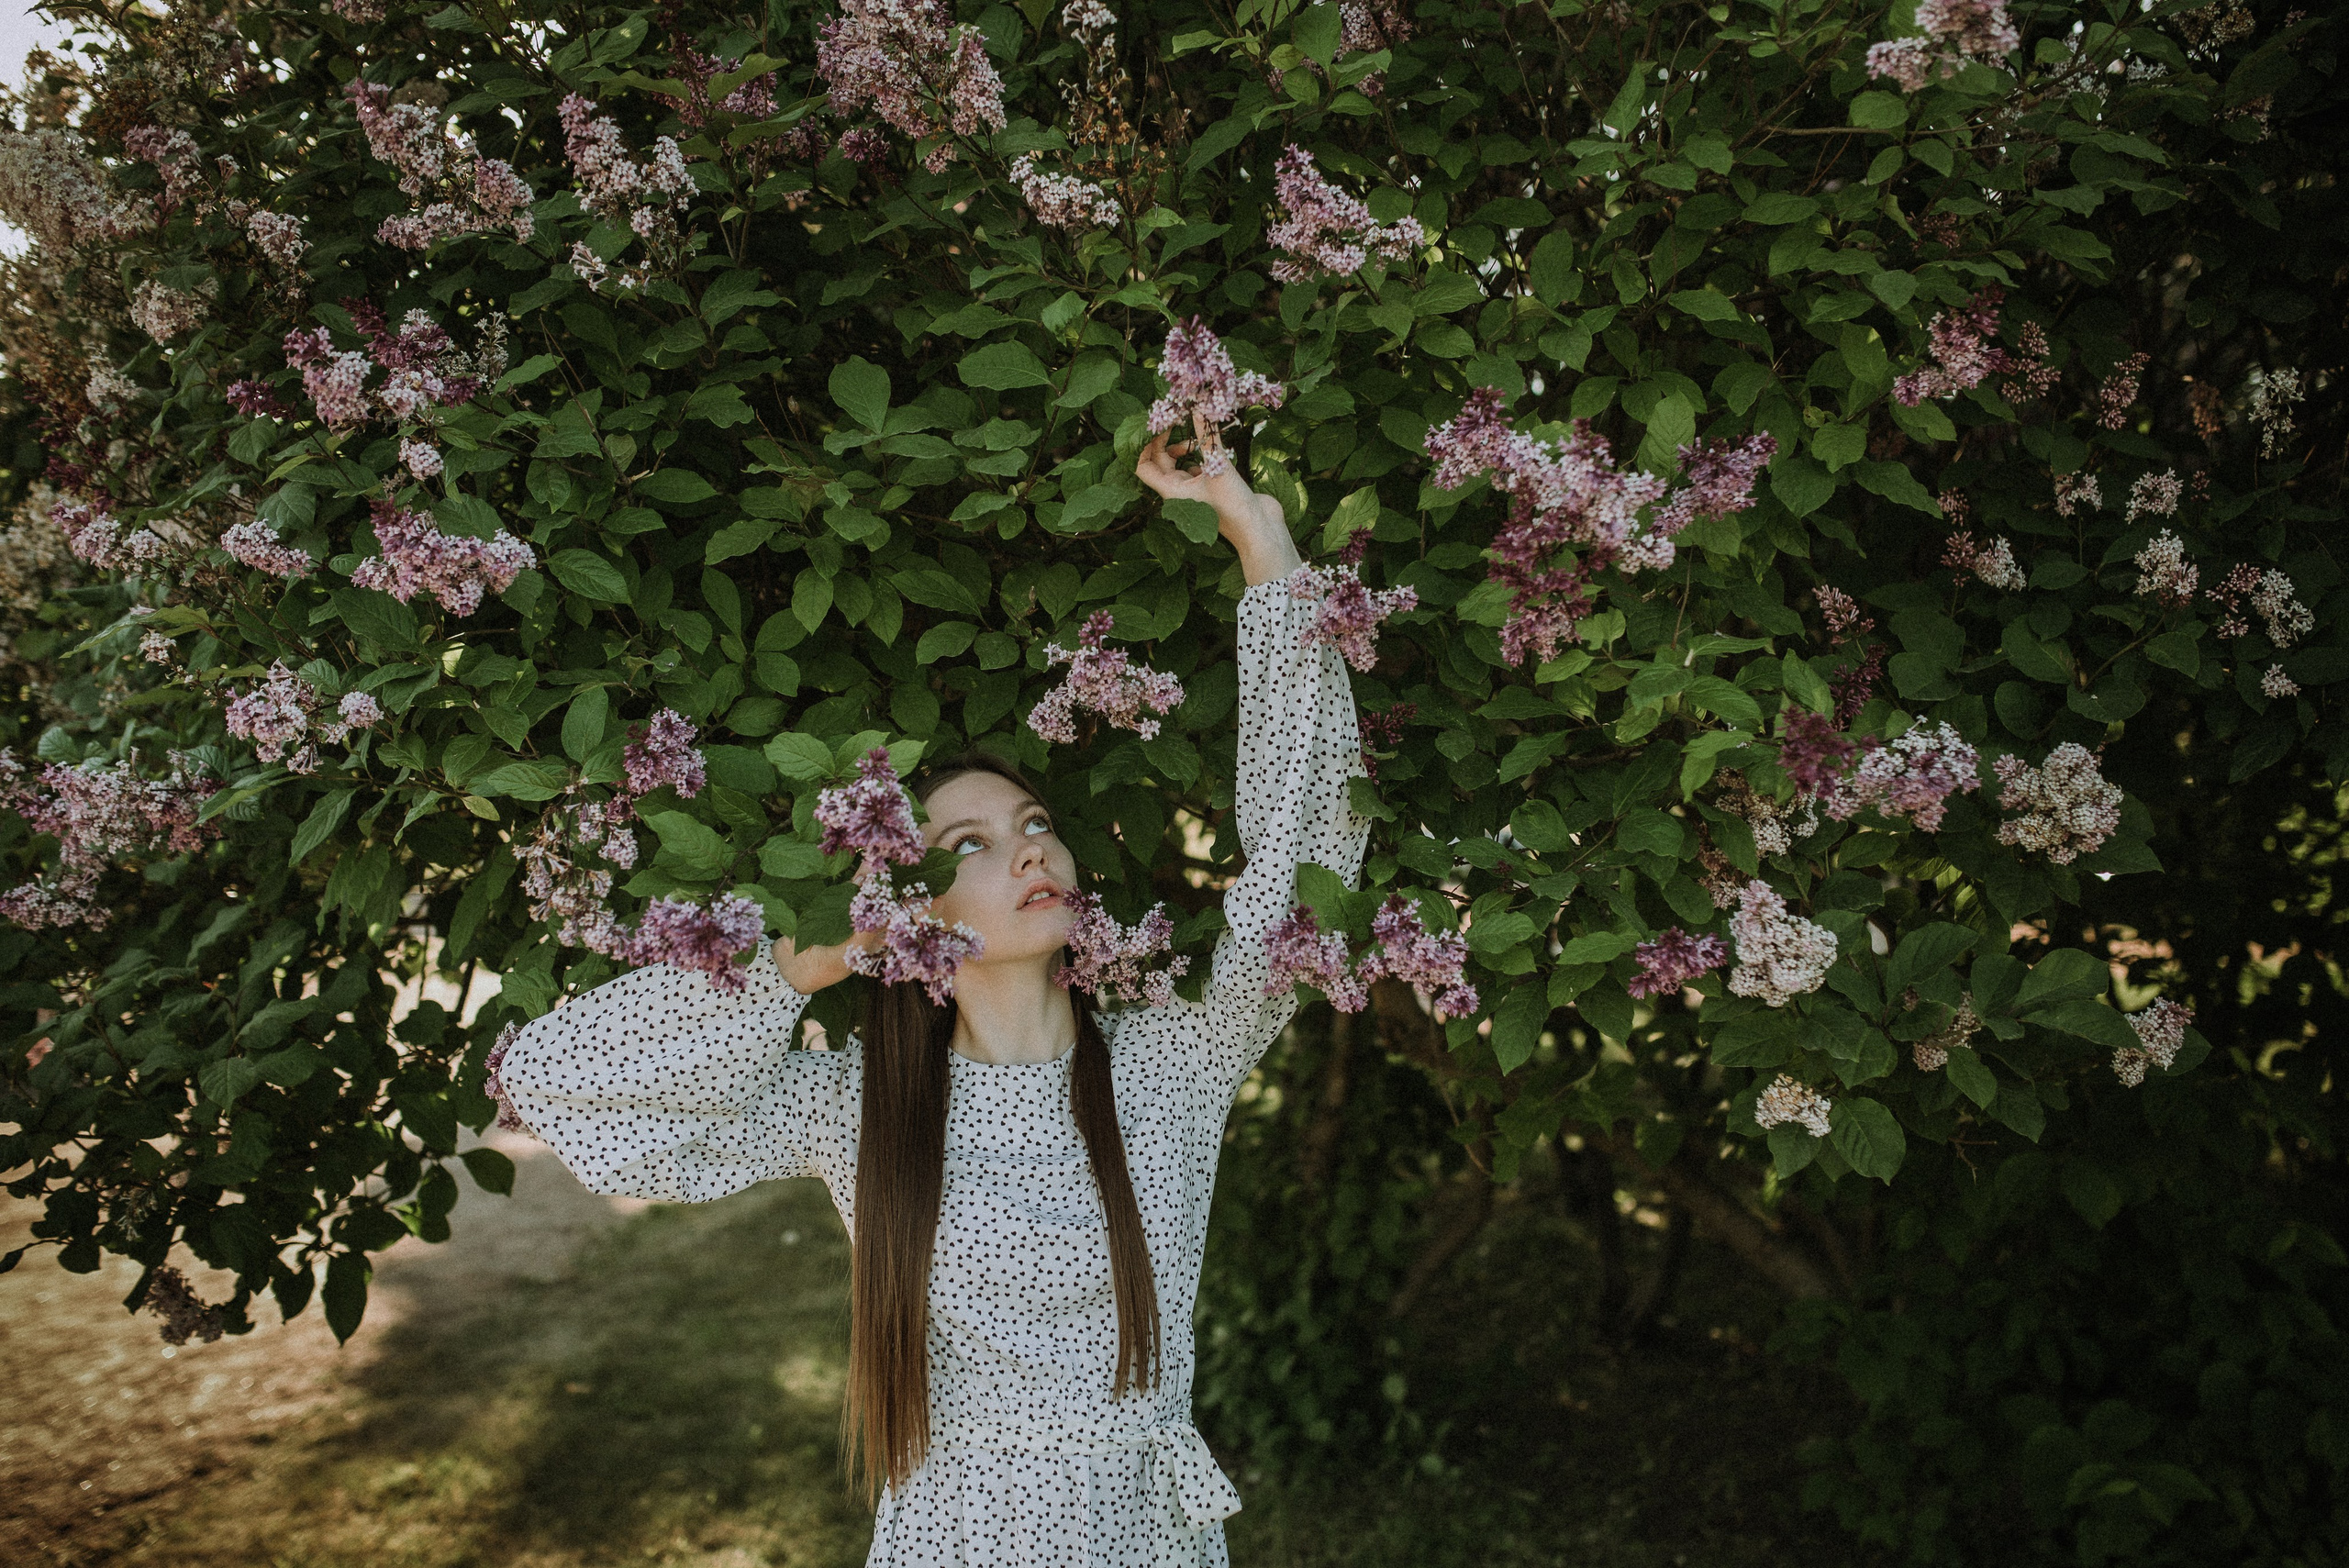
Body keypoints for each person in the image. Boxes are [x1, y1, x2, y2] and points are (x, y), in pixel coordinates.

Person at [494, 416, 1370, 1567]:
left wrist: (1260, 539)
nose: (1027, 852)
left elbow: (1310, 852)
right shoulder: (861, 1105)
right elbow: (565, 1090)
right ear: (910, 901)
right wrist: (799, 960)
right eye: (968, 843)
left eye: (1037, 823)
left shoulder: (1175, 1058)